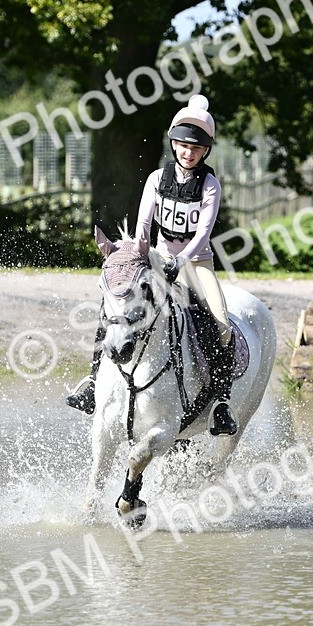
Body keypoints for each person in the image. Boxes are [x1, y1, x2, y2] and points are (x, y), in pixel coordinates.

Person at [67, 94, 238, 436]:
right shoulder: (157, 179)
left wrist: (182, 262)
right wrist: (140, 256)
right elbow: (144, 227)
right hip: (157, 257)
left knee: (220, 323)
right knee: (115, 307)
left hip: (196, 263)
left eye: (197, 147)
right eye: (183, 145)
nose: (189, 152)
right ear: (174, 144)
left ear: (205, 151)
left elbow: (203, 235)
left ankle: (220, 402)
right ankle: (91, 382)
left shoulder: (210, 185)